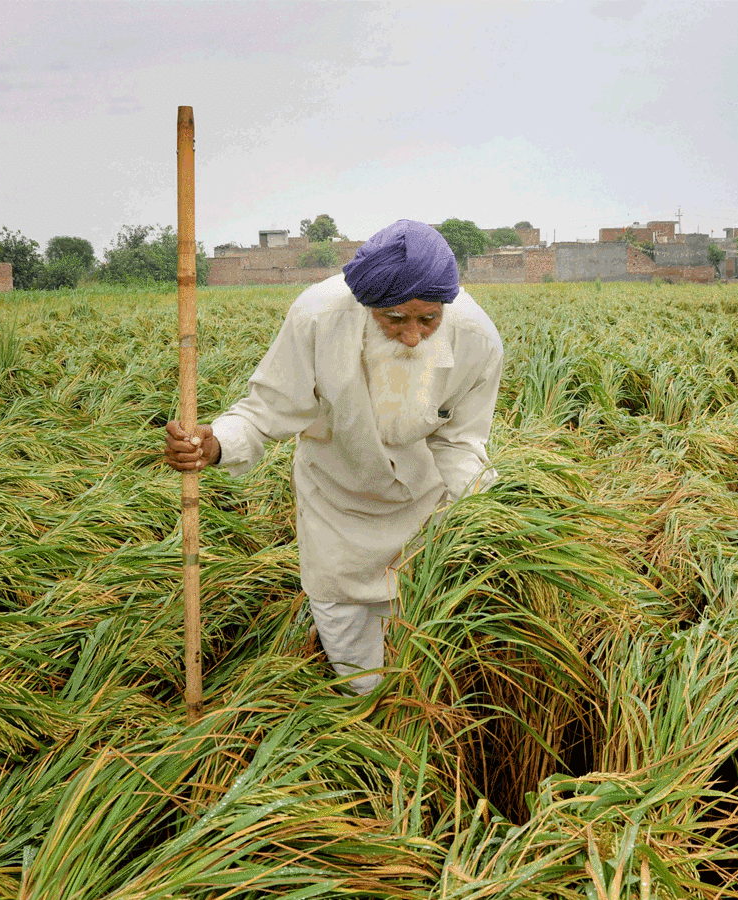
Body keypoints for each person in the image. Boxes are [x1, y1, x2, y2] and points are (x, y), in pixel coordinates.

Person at [164, 219, 504, 694]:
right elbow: (266, 411)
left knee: (423, 665)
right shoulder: (318, 319)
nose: (412, 336)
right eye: (395, 319)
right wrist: (215, 443)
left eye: (428, 319)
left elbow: (462, 444)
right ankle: (364, 736)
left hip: (425, 518)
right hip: (336, 514)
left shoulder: (477, 340)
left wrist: (494, 515)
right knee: (360, 677)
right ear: (368, 307)